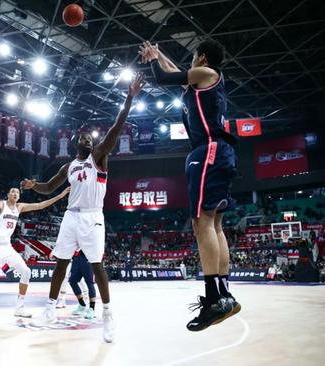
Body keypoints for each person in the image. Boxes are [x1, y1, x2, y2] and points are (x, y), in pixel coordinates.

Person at [20, 74, 145, 343]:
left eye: (91, 138)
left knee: (97, 265)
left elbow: (117, 126)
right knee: (60, 264)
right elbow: (48, 188)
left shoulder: (99, 156)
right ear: (76, 142)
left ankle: (108, 315)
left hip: (92, 217)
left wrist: (130, 97)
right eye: (85, 137)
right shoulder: (68, 166)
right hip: (70, 217)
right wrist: (33, 185)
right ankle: (50, 310)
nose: (89, 139)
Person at [139, 39, 240, 332]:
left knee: (202, 223)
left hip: (208, 151)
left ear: (203, 58)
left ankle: (213, 300)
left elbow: (164, 76)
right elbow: (177, 73)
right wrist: (159, 55)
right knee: (215, 225)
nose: (191, 63)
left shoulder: (207, 74)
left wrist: (153, 61)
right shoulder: (201, 81)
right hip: (219, 152)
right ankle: (224, 295)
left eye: (194, 57)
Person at [0, 186, 71, 322]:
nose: (15, 193)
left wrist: (60, 196)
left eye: (17, 192)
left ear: (19, 196)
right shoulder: (1, 204)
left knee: (26, 272)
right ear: (8, 194)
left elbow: (40, 205)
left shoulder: (19, 207)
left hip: (6, 247)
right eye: (12, 191)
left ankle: (19, 307)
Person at [69, 251, 97, 319]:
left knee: (89, 283)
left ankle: (92, 309)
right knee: (72, 281)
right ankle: (82, 305)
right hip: (76, 257)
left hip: (87, 257)